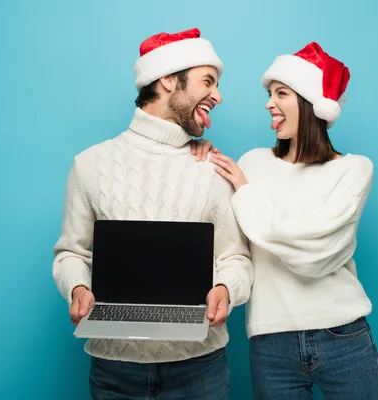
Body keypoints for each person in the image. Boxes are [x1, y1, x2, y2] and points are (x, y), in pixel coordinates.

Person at [52, 28, 253, 400]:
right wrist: (77, 287)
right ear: (167, 79)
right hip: (114, 369)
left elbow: (235, 257)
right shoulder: (90, 164)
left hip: (200, 368)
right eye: (208, 81)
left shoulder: (212, 168)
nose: (218, 96)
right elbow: (72, 253)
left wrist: (227, 288)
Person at [192, 42, 378, 399]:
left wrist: (248, 196)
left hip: (342, 334)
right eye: (269, 94)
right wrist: (197, 150)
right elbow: (227, 234)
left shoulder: (354, 169)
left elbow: (317, 256)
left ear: (311, 103)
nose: (269, 102)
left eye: (281, 93)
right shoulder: (251, 164)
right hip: (270, 342)